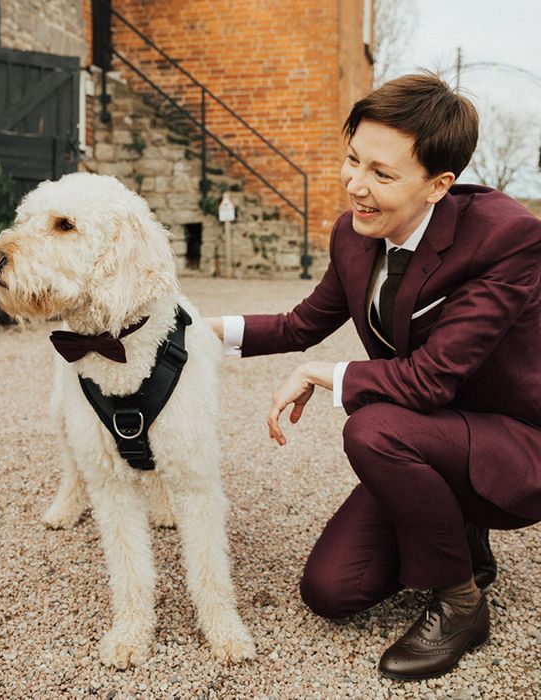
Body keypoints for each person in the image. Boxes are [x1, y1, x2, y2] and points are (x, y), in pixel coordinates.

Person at [209, 73, 541, 681]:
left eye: (381, 175)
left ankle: (462, 604)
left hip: (514, 444)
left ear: (440, 185)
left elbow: (433, 379)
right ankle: (462, 537)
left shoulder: (505, 238)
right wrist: (201, 332)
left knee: (373, 427)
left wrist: (324, 375)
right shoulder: (354, 235)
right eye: (352, 159)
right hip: (432, 437)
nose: (356, 186)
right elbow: (299, 323)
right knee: (331, 591)